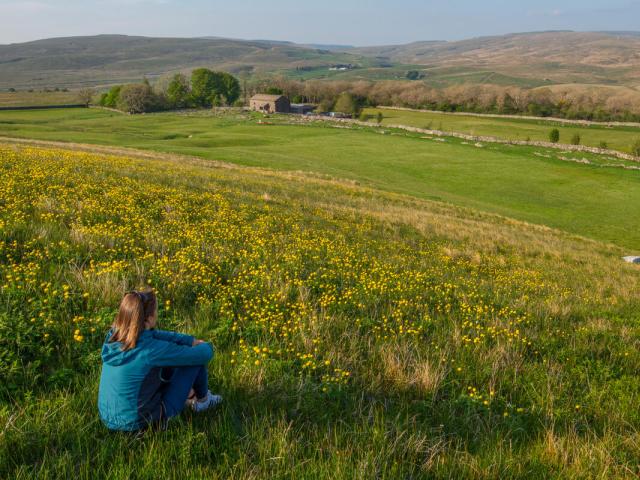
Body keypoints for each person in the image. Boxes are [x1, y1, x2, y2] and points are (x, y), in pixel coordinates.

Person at [98, 289, 221, 431]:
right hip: (139, 424)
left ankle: (190, 394)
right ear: (149, 319)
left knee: (163, 366)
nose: (157, 313)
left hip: (108, 418)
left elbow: (154, 334)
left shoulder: (114, 337)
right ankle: (203, 401)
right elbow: (203, 355)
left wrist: (189, 340)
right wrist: (204, 345)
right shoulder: (151, 350)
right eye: (156, 310)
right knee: (193, 360)